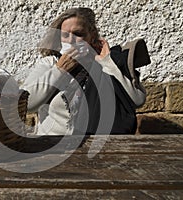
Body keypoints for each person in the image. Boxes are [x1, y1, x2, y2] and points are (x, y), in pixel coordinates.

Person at [22, 7, 150, 135]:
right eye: (65, 35)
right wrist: (59, 70)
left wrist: (107, 61)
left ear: (91, 37)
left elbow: (137, 100)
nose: (71, 40)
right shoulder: (50, 64)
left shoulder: (102, 65)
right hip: (52, 145)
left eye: (78, 34)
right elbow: (27, 104)